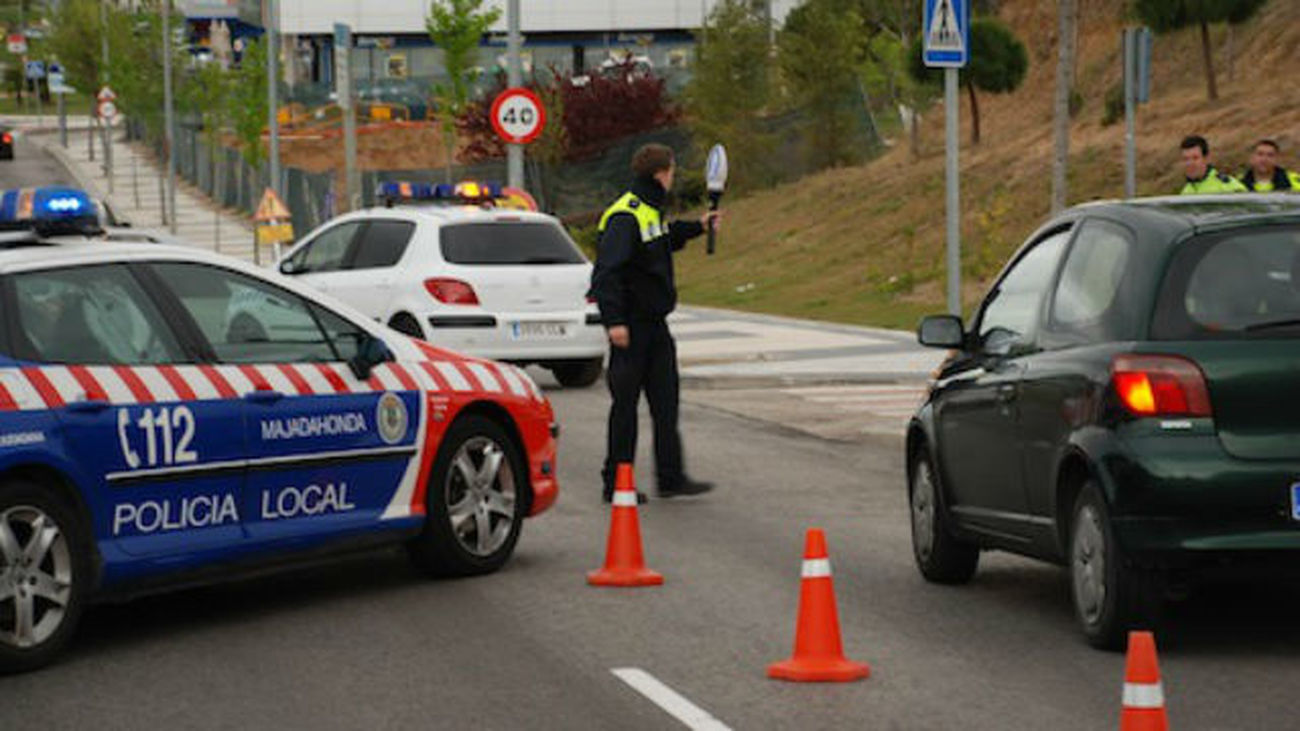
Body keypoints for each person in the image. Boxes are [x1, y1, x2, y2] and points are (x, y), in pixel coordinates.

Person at [589, 143, 719, 502]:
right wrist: (614, 321)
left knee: (666, 404)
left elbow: (660, 241)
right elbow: (606, 274)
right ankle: (616, 482)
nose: (673, 176)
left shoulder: (650, 210)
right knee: (626, 409)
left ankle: (671, 477)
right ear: (663, 173)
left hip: (655, 326)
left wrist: (697, 227)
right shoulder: (625, 215)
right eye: (672, 170)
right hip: (630, 328)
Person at [1178, 135, 1247, 194]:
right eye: (1185, 159)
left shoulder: (1226, 186)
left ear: (1207, 158)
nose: (1190, 163)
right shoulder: (1186, 192)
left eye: (1195, 158)